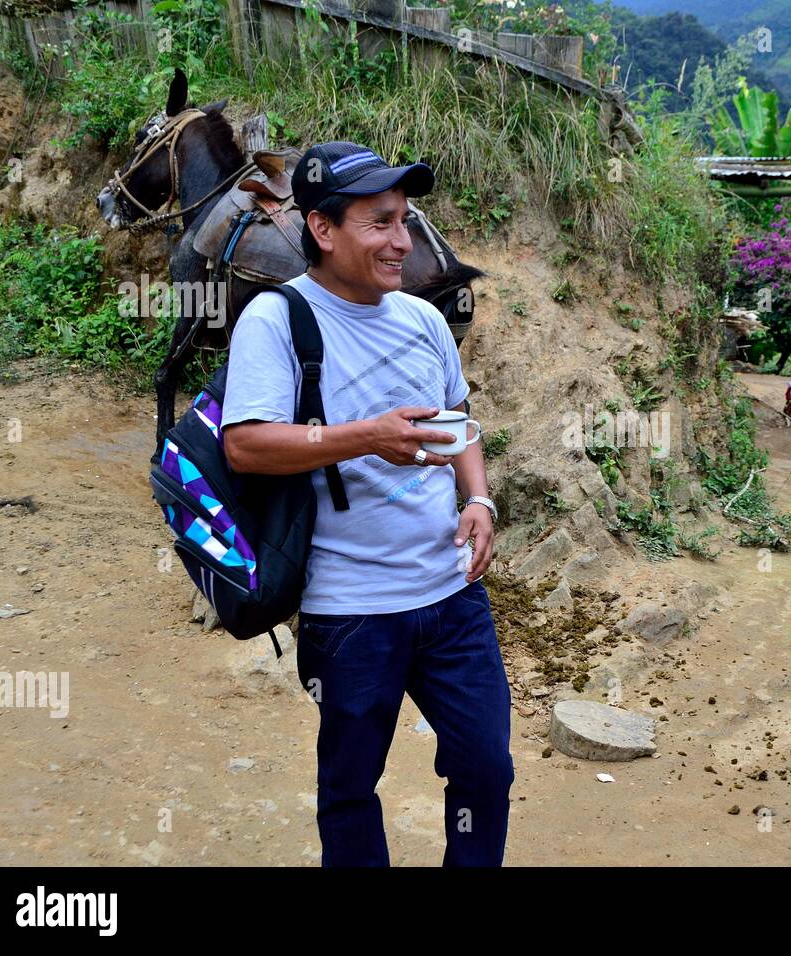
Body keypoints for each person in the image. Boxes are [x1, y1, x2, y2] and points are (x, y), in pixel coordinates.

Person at [221, 142, 512, 866]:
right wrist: (363, 438)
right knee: (351, 786)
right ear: (323, 229)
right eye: (380, 223)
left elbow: (459, 415)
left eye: (405, 221)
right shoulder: (278, 320)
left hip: (452, 596)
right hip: (349, 611)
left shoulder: (422, 319)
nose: (402, 242)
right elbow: (246, 445)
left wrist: (477, 498)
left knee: (486, 768)